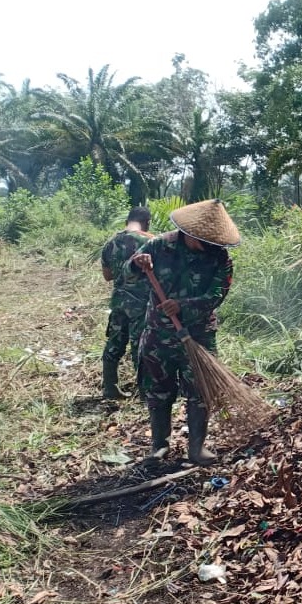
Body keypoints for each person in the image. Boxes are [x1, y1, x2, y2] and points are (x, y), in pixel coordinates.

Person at [125, 199, 240, 466]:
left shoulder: (220, 257)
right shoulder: (158, 245)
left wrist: (183, 305)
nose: (211, 246)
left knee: (200, 391)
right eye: (205, 241)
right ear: (189, 233)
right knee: (158, 390)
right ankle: (159, 446)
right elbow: (127, 274)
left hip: (198, 335)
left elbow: (217, 294)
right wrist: (136, 263)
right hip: (159, 334)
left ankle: (196, 448)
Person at [100, 206, 153, 399]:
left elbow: (107, 276)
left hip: (118, 301)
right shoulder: (151, 241)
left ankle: (110, 387)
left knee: (115, 342)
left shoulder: (110, 243)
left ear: (127, 221)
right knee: (141, 345)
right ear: (147, 222)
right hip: (141, 303)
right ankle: (145, 392)